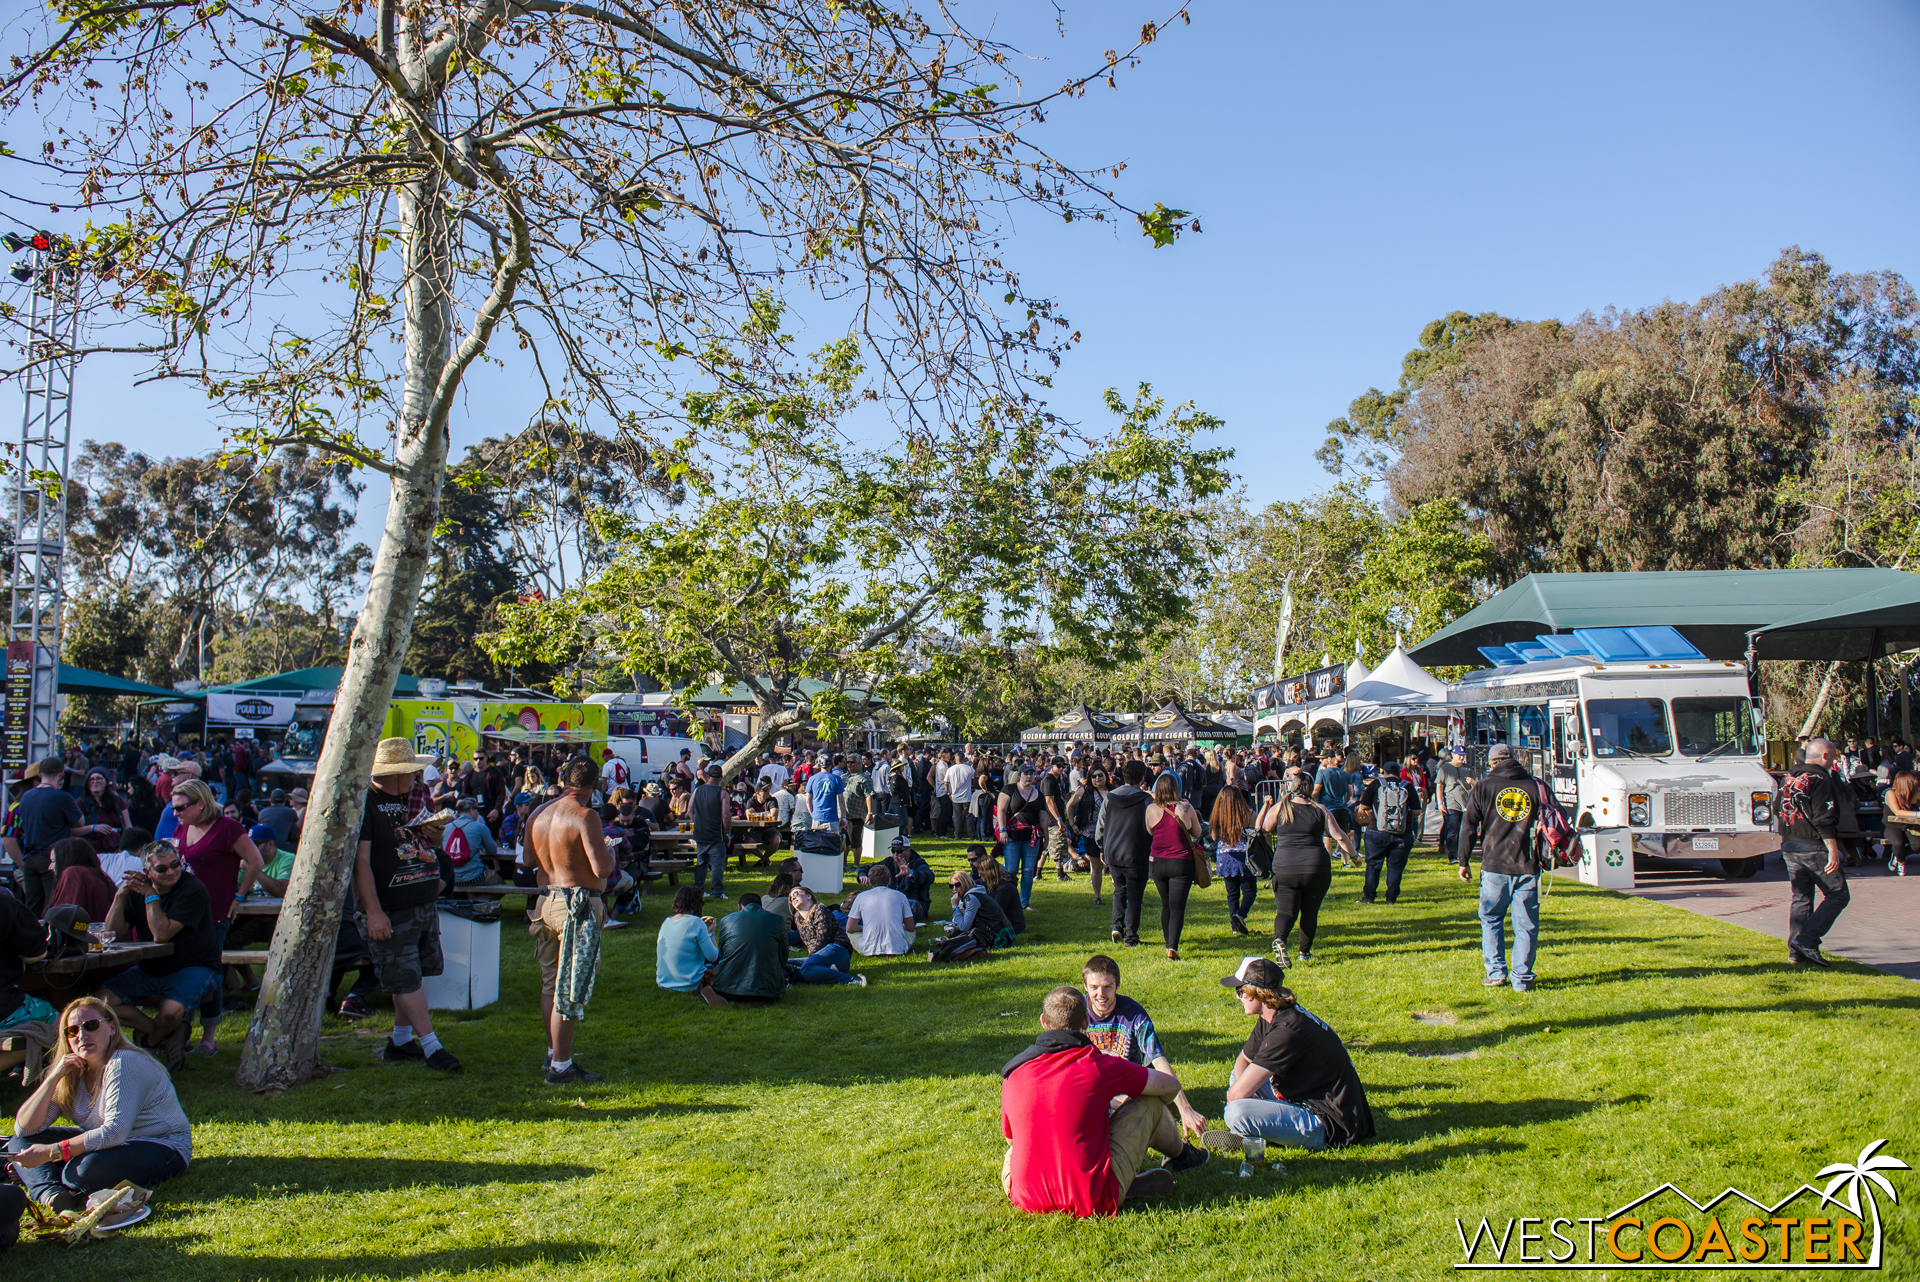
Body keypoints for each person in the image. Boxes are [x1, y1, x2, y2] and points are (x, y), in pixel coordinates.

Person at [999, 985, 1208, 1217]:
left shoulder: (1013, 1071)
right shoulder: (1098, 1065)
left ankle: (1104, 1180)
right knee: (1150, 1103)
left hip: (1025, 1196)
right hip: (1092, 1200)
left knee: (1020, 1144)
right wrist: (1126, 1097)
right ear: (1087, 1022)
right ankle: (1182, 1157)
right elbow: (1170, 1086)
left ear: (1043, 1022)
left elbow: (1010, 1140)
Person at [6, 997, 193, 1209]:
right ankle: (52, 1195)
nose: (82, 1035)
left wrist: (51, 1153)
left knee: (83, 1171)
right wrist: (52, 1078)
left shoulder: (124, 1061)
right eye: (72, 1031)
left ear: (112, 1027)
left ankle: (45, 1176)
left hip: (160, 1145)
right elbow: (25, 1128)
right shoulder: (72, 1071)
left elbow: (114, 1132)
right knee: (20, 1142)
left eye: (91, 1025)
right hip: (107, 1145)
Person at [354, 738, 461, 1071]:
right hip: (390, 906)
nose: (417, 777)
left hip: (421, 899)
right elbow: (361, 862)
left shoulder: (412, 798)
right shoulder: (368, 802)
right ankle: (432, 1047)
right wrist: (373, 911)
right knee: (404, 977)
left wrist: (435, 834)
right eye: (410, 771)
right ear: (394, 773)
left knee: (412, 976)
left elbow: (429, 841)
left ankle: (400, 1041)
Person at [1204, 956, 1374, 1155]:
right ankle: (1257, 1131)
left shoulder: (1287, 1029)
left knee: (1236, 1113)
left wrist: (1242, 1097)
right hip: (1302, 1099)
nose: (1237, 997)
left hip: (1329, 1123)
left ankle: (1252, 1136)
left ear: (1257, 993)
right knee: (1237, 1077)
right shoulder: (1272, 1015)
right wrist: (1244, 1093)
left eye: (1240, 991)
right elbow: (1243, 1059)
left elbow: (1236, 1096)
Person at [526, 758, 617, 1085]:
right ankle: (561, 1066)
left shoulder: (539, 813)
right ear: (595, 784)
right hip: (576, 904)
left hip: (545, 900)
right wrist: (610, 852)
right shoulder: (585, 814)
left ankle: (553, 1054)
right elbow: (602, 869)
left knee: (551, 982)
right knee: (571, 985)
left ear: (565, 779)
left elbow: (525, 859)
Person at [98, 842, 222, 1068]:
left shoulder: (192, 889)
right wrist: (121, 896)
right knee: (99, 1004)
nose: (171, 871)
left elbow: (161, 934)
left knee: (170, 1013)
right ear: (148, 872)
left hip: (196, 966)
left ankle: (148, 1042)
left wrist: (150, 895)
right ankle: (170, 1035)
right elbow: (110, 933)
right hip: (151, 968)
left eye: (175, 865)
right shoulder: (137, 891)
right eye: (162, 868)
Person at [168, 776, 263, 1053]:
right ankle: (182, 1030)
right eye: (174, 808)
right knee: (182, 971)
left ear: (200, 804)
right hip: (183, 911)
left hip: (214, 912)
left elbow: (255, 861)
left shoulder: (227, 828)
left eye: (181, 807)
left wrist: (238, 897)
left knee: (210, 971)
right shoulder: (181, 828)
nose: (177, 813)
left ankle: (208, 1037)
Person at [1456, 744, 1560, 992]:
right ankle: (1522, 979)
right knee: (1526, 925)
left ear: (1491, 763)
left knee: (1491, 918)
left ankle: (1496, 972)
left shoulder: (1483, 786)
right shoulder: (1536, 785)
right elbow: (1557, 816)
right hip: (1527, 865)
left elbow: (1468, 826)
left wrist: (1463, 861)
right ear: (1514, 760)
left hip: (1494, 865)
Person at [1080, 954, 1206, 1138]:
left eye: (1108, 987)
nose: (1101, 994)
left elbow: (1157, 1058)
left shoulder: (1133, 1013)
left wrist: (1185, 1109)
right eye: (1094, 988)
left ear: (1118, 985)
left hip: (1127, 1085)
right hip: (1092, 1084)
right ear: (1085, 987)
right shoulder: (1078, 1012)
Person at [1259, 771, 1350, 966]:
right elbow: (1339, 836)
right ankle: (1304, 952)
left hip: (1284, 867)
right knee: (1309, 912)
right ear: (1310, 788)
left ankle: (1280, 940)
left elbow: (1264, 828)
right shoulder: (1321, 810)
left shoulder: (1281, 808)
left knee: (1285, 912)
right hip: (1316, 867)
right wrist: (1355, 855)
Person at [1776, 737, 1849, 967]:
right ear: (1825, 755)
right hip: (1813, 845)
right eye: (1834, 756)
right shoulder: (1821, 779)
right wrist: (1833, 851)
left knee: (1801, 898)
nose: (1834, 761)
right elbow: (1824, 818)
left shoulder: (1790, 777)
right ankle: (1806, 940)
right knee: (1838, 894)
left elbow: (1778, 807)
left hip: (1790, 844)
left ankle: (1796, 952)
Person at [11, 757, 114, 916]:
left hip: (30, 858)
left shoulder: (25, 797)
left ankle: (33, 938)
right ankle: (53, 940)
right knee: (54, 904)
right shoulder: (62, 797)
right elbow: (80, 822)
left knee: (32, 906)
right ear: (61, 773)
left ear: (39, 773)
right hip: (53, 859)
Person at [1095, 760, 1153, 948]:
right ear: (1142, 778)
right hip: (1136, 852)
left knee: (1119, 889)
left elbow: (1101, 826)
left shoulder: (1110, 798)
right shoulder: (1146, 800)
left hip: (1113, 851)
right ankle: (1130, 935)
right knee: (1135, 895)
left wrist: (1102, 847)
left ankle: (1116, 925)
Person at [1144, 773, 1202, 961]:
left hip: (1158, 862)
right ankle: (1172, 945)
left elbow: (1150, 831)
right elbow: (1198, 832)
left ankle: (1167, 940)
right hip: (1181, 861)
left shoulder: (1151, 809)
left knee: (1166, 904)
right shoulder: (1186, 807)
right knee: (1177, 906)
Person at [1354, 759, 1423, 905]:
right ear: (1399, 772)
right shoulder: (1407, 786)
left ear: (1384, 772)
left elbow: (1364, 806)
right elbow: (1417, 811)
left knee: (1373, 865)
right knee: (1396, 866)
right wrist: (1406, 816)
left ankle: (1369, 897)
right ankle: (1391, 897)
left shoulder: (1376, 784)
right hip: (1402, 833)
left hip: (1376, 831)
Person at [655, 885, 726, 1006]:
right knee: (720, 964)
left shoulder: (667, 921)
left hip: (663, 982)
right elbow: (713, 956)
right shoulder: (696, 923)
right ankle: (709, 986)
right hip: (690, 982)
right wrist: (711, 933)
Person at [712, 892, 788, 1002]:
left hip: (727, 989)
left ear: (739, 907)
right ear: (761, 907)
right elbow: (783, 956)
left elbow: (723, 954)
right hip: (768, 991)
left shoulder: (726, 920)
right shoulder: (777, 920)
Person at [788, 887, 867, 986]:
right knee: (785, 963)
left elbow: (823, 937)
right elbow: (809, 943)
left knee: (806, 968)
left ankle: (852, 980)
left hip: (837, 950)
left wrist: (810, 958)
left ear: (808, 896)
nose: (793, 898)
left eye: (796, 894)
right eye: (791, 898)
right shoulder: (798, 918)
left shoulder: (819, 909)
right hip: (818, 955)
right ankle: (824, 972)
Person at [998, 767, 1047, 909]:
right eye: (1026, 774)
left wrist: (1046, 838)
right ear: (1019, 775)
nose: (1029, 777)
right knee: (1011, 870)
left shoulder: (1039, 795)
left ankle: (1024, 902)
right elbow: (1001, 810)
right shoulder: (1009, 789)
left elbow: (1043, 819)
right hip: (1012, 836)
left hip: (1032, 838)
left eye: (1032, 774)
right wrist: (1002, 830)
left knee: (1028, 870)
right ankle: (1008, 901)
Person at [1210, 785, 1256, 936]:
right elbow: (1255, 830)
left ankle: (1234, 927)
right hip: (1244, 855)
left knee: (1232, 893)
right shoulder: (1247, 814)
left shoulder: (1218, 816)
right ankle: (1241, 915)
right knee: (1249, 890)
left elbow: (1214, 838)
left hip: (1225, 856)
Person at [848, 862, 915, 957]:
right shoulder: (901, 896)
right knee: (912, 932)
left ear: (870, 882)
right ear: (889, 880)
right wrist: (898, 927)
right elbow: (910, 927)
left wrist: (865, 929)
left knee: (850, 934)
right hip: (897, 949)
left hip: (869, 949)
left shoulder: (861, 897)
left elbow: (850, 928)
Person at [48, 837, 118, 923]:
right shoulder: (92, 875)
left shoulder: (74, 873)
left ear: (66, 860)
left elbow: (65, 922)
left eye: (53, 861)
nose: (49, 867)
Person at [690, 762, 731, 901]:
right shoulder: (722, 793)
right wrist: (728, 833)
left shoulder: (697, 790)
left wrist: (698, 821)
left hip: (700, 833)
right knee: (717, 864)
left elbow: (690, 811)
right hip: (715, 834)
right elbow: (726, 816)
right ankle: (717, 892)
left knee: (701, 863)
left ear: (708, 776)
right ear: (721, 777)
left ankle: (698, 890)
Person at [1068, 766, 1108, 906]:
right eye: (1094, 776)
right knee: (1096, 866)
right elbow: (1070, 806)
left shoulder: (1113, 791)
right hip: (1091, 834)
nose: (1097, 779)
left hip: (1111, 833)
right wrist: (1073, 824)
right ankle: (1097, 897)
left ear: (1106, 776)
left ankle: (1121, 893)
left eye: (1100, 775)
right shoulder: (1084, 791)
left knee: (1115, 865)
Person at [1313, 752, 1360, 868]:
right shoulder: (1345, 774)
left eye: (1322, 759)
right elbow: (1351, 792)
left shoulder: (1322, 773)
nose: (1321, 761)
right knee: (1343, 835)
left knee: (1327, 836)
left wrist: (1309, 800)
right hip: (1342, 807)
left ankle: (1327, 862)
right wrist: (1345, 801)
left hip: (1327, 808)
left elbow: (1316, 790)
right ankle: (1346, 862)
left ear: (1329, 759)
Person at [1434, 749, 1474, 862]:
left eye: (1463, 755)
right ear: (1454, 755)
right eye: (1460, 755)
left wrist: (1473, 782)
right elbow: (1439, 786)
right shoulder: (1444, 768)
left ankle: (1463, 854)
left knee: (1465, 829)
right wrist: (1440, 802)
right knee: (1453, 827)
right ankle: (1452, 855)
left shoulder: (1468, 768)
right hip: (1451, 802)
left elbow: (1477, 784)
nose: (1462, 758)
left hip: (1466, 802)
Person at [1040, 757, 1074, 882]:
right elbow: (1049, 800)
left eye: (1063, 766)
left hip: (1054, 817)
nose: (1061, 768)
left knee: (1046, 847)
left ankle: (1037, 873)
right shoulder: (1049, 780)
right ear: (1051, 766)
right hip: (1052, 819)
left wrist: (1065, 796)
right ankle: (1060, 874)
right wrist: (1058, 818)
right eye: (1058, 766)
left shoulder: (1056, 779)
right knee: (1058, 846)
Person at [806, 756, 844, 834]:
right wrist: (843, 817)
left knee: (817, 843)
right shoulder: (837, 779)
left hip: (817, 816)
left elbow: (808, 801)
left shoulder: (812, 779)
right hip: (832, 817)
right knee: (832, 843)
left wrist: (812, 814)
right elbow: (841, 800)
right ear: (831, 764)